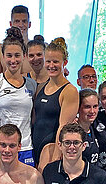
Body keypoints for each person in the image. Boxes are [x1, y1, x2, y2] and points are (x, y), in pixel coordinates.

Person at [0, 27, 37, 166]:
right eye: (9, 55)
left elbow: (32, 117)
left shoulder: (32, 84)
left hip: (24, 147)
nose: (13, 60)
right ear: (3, 57)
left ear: (24, 56)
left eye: (17, 55)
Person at [42, 123, 106, 184]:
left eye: (76, 143)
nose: (71, 147)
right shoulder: (49, 171)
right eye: (67, 143)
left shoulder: (100, 178)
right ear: (60, 145)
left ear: (84, 146)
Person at [33, 37, 79, 169]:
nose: (51, 65)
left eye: (55, 62)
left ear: (65, 62)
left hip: (51, 144)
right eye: (48, 61)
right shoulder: (43, 86)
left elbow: (63, 126)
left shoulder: (69, 91)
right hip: (35, 142)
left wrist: (57, 153)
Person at [0, 5, 33, 75]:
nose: (21, 25)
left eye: (24, 21)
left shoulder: (36, 50)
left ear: (29, 24)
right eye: (17, 21)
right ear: (10, 24)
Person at [76, 89, 100, 164]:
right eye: (87, 107)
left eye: (95, 106)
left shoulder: (94, 128)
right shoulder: (73, 132)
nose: (92, 111)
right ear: (78, 108)